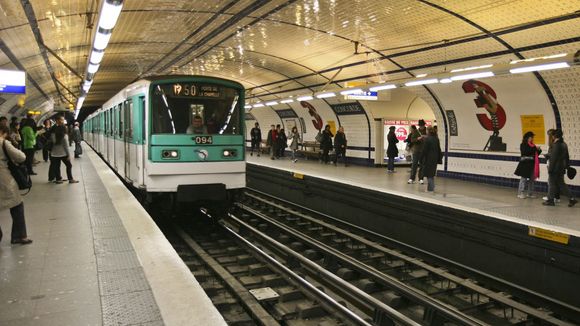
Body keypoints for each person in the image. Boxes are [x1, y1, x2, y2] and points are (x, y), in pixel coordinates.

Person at [0, 124, 33, 245]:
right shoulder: (3, 143)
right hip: (4, 179)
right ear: (3, 132)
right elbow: (21, 157)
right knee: (17, 205)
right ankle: (19, 236)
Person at [543, 129, 577, 207]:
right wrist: (567, 166)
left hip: (555, 168)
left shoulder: (556, 145)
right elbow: (567, 156)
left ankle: (550, 200)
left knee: (551, 184)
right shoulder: (564, 144)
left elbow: (554, 158)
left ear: (554, 136)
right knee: (562, 184)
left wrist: (550, 169)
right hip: (561, 168)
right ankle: (571, 199)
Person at [49, 116, 79, 184]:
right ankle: (70, 179)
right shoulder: (64, 136)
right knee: (69, 165)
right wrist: (68, 155)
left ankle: (58, 179)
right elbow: (66, 146)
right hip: (63, 153)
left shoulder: (53, 133)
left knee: (57, 167)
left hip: (54, 153)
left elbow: (53, 141)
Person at [514, 131, 541, 199]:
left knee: (532, 179)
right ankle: (520, 193)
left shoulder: (533, 145)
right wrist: (534, 149)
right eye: (531, 137)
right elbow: (525, 152)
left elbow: (536, 154)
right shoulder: (523, 144)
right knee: (524, 179)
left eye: (532, 137)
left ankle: (530, 193)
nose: (532, 139)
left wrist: (539, 150)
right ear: (527, 138)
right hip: (525, 165)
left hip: (532, 164)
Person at [421, 126, 442, 192]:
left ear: (428, 131)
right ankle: (430, 188)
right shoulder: (436, 139)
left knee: (428, 174)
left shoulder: (427, 139)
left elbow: (424, 150)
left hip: (428, 159)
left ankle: (431, 188)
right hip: (435, 158)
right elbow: (439, 149)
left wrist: (421, 158)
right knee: (431, 174)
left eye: (426, 131)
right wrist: (439, 159)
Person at [542, 129, 560, 203]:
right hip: (554, 163)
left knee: (551, 181)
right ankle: (556, 197)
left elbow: (553, 154)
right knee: (556, 181)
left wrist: (547, 155)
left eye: (549, 135)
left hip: (552, 163)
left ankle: (551, 197)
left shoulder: (553, 144)